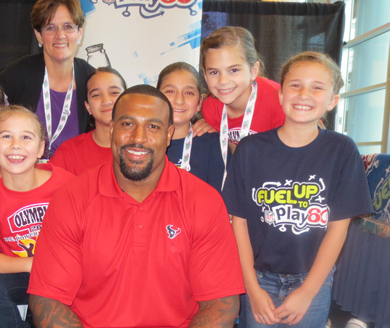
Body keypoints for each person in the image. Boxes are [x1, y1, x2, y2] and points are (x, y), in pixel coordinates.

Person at [28, 85, 245, 327]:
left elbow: (220, 303)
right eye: (127, 124)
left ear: (169, 134)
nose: (138, 138)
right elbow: (48, 300)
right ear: (111, 129)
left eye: (153, 126)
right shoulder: (71, 198)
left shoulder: (203, 201)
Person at [222, 52, 373, 327]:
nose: (304, 94)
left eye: (317, 87)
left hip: (313, 279)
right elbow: (239, 223)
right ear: (280, 95)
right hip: (259, 278)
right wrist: (252, 289)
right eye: (295, 85)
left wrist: (307, 292)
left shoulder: (341, 150)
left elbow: (338, 228)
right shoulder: (249, 150)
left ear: (332, 101)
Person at [0, 106, 76, 327]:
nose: (16, 145)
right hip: (25, 272)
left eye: (26, 137)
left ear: (41, 148)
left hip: (67, 272)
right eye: (6, 136)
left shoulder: (68, 184)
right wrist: (35, 264)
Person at [0, 0, 95, 159]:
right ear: (39, 35)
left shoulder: (91, 80)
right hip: (25, 177)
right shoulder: (17, 75)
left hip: (74, 178)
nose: (60, 35)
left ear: (79, 32)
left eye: (68, 26)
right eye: (50, 27)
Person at [200, 26, 285, 166]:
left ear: (253, 70)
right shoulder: (210, 108)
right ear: (204, 75)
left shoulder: (279, 101)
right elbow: (235, 152)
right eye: (214, 72)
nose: (223, 81)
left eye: (233, 70)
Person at [157, 62, 226, 191]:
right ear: (156, 98)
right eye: (170, 91)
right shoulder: (143, 141)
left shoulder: (214, 144)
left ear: (199, 103)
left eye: (188, 93)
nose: (179, 100)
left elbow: (218, 199)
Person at [49, 67, 126, 175]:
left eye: (114, 92)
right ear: (88, 107)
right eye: (96, 95)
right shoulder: (70, 152)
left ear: (128, 99)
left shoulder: (143, 146)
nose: (106, 101)